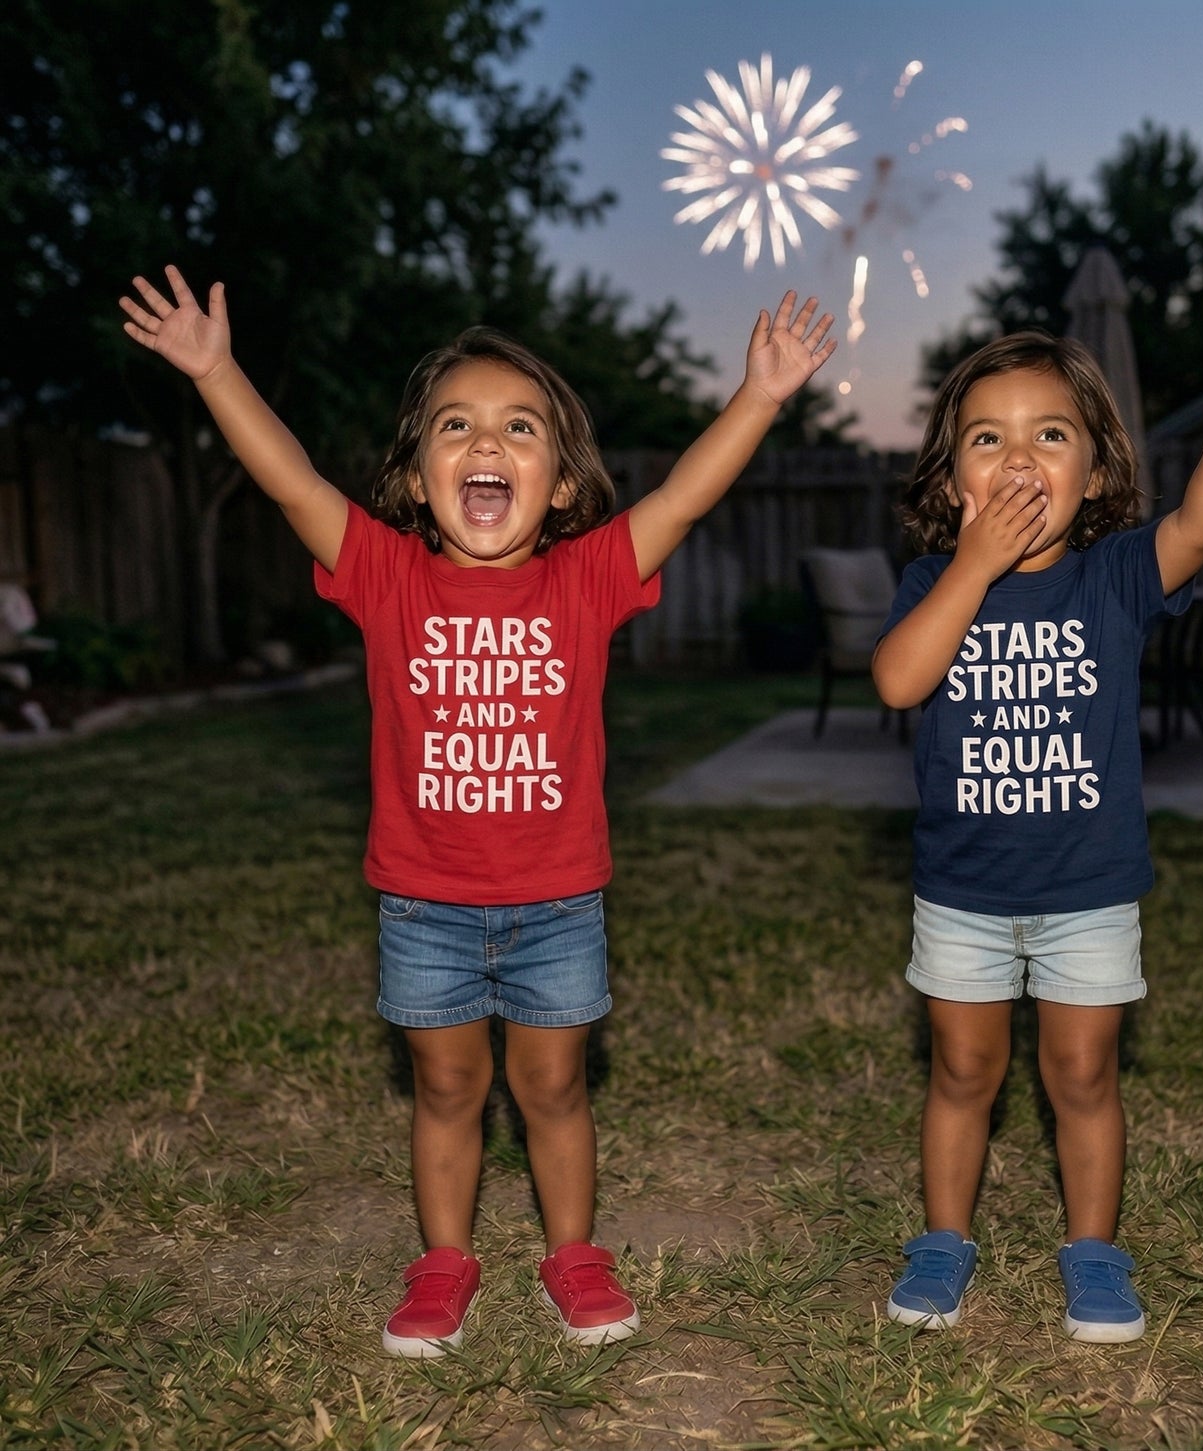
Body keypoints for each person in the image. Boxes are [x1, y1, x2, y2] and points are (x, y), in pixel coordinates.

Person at [120, 265, 835, 1356]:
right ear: (415, 477)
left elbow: (684, 494)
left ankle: (572, 1252)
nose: (486, 444)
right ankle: (444, 1259)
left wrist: (761, 395)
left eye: (518, 428)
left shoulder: (587, 579)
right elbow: (290, 481)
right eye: (455, 427)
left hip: (558, 904)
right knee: (446, 1086)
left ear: (558, 485)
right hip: (424, 904)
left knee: (552, 1086)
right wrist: (216, 371)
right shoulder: (384, 574)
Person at [872, 312, 1203, 1342]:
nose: (1018, 458)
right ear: (948, 485)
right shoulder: (934, 582)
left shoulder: (1114, 578)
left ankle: (1094, 1249)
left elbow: (1198, 522)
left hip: (1088, 888)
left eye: (1048, 435)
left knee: (1081, 1074)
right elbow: (897, 677)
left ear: (1097, 473)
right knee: (962, 1072)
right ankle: (941, 1236)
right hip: (963, 892)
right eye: (987, 438)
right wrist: (971, 567)